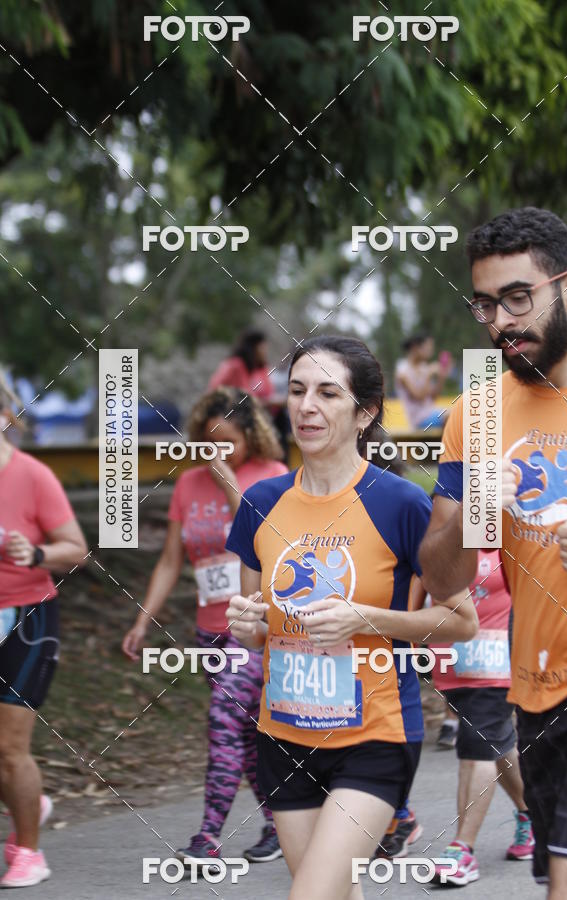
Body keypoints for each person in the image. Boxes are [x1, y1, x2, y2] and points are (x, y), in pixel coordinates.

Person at [225, 335, 478, 900]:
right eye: (296, 391)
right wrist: (248, 625)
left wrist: (363, 618)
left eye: (327, 393)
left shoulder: (400, 503)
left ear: (365, 412)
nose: (307, 406)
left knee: (311, 895)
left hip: (375, 734)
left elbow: (461, 620)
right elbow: (258, 627)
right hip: (283, 735)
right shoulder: (260, 502)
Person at [418, 207, 567, 899]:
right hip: (534, 692)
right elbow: (442, 578)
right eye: (486, 304)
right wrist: (475, 516)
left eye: (519, 298)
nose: (501, 322)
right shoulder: (479, 414)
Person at [122, 387, 287, 865]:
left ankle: (207, 839)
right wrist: (142, 620)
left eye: (227, 442)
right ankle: (280, 823)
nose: (216, 452)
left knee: (222, 720)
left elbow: (269, 545)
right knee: (247, 732)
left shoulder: (272, 478)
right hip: (207, 630)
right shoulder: (189, 484)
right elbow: (172, 561)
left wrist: (232, 484)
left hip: (254, 626)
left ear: (251, 436)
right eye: (208, 442)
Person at [0, 371, 88, 888]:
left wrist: (32, 553)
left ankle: (29, 851)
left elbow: (76, 548)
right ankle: (27, 797)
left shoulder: (32, 475)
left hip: (27, 617)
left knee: (10, 748)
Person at [420, 549, 533, 885]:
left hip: (495, 663)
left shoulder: (513, 534)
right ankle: (533, 816)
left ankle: (462, 849)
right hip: (450, 666)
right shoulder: (441, 532)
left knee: (476, 747)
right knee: (497, 745)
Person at [394, 334, 452, 430]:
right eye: (428, 347)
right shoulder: (402, 371)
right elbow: (418, 396)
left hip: (431, 413)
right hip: (418, 420)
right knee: (451, 415)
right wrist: (428, 375)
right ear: (415, 347)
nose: (430, 350)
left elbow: (433, 398)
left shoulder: (424, 367)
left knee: (458, 412)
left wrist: (442, 377)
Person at [208, 329, 274, 402]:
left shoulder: (259, 368)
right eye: (262, 348)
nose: (265, 352)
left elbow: (268, 392)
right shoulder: (236, 365)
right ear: (252, 348)